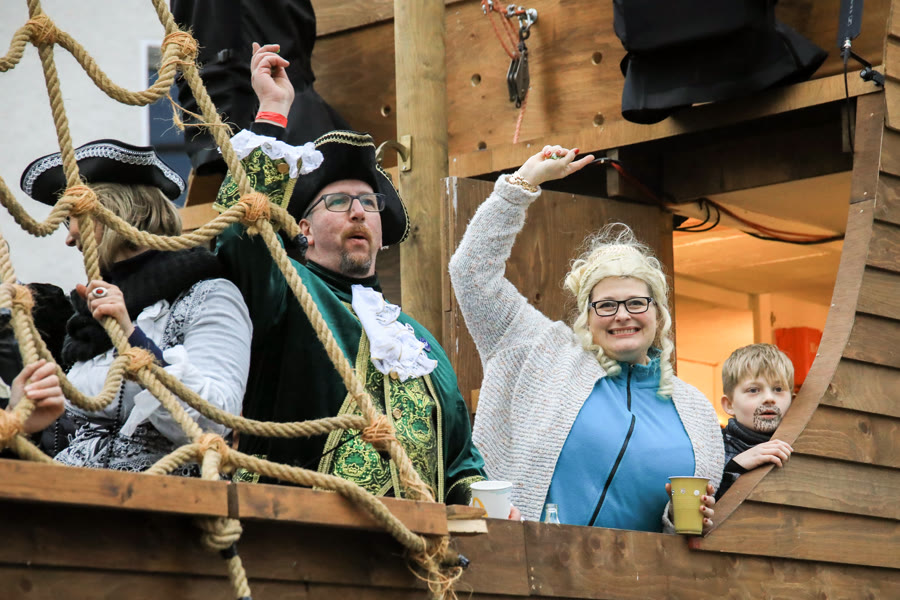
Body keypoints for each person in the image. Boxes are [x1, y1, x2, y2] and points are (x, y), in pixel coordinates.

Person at [212, 43, 486, 505]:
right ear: (303, 229)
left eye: (369, 203)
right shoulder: (287, 293)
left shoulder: (419, 343)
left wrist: (484, 498)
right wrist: (272, 112)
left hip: (412, 542)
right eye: (338, 202)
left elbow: (460, 463)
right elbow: (243, 235)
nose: (358, 212)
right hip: (295, 531)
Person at [449, 146, 724, 532]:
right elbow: (471, 273)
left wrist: (679, 521)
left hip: (638, 571)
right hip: (525, 563)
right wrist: (522, 183)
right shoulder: (541, 351)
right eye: (606, 305)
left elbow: (690, 530)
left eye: (636, 302)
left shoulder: (696, 411)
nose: (623, 315)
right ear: (587, 317)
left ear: (659, 314)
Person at [19, 140, 251, 473]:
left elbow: (213, 421)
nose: (69, 237)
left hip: (162, 497)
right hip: (69, 494)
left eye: (75, 218)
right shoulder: (86, 323)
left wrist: (133, 338)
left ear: (127, 212)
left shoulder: (209, 295)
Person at [715, 343, 794, 500]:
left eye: (778, 389)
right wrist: (734, 467)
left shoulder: (804, 444)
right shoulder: (712, 450)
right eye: (753, 390)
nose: (769, 398)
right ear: (729, 404)